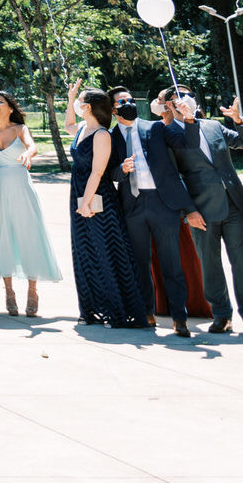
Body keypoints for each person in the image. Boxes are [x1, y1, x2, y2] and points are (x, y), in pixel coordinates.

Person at [115, 86, 201, 336]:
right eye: (121, 102)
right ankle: (146, 313)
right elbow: (108, 171)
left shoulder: (155, 128)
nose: (128, 104)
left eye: (130, 99)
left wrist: (189, 119)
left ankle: (179, 317)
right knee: (140, 262)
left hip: (163, 203)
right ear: (112, 109)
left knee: (171, 262)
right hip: (133, 205)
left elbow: (188, 143)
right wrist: (121, 170)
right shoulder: (110, 136)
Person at [179, 95, 243, 335]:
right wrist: (189, 211)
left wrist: (240, 121)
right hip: (201, 210)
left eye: (187, 95)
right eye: (177, 98)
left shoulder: (213, 126)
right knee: (210, 265)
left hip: (234, 203)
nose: (183, 100)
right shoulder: (171, 134)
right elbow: (174, 177)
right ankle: (222, 315)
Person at [69, 89, 146, 328]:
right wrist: (70, 98)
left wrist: (86, 202)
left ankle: (117, 311)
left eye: (80, 101)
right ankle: (91, 309)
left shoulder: (102, 134)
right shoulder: (82, 128)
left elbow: (98, 172)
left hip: (97, 197)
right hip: (79, 194)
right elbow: (68, 124)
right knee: (84, 253)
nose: (77, 105)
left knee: (105, 253)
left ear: (89, 106)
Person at [0, 91, 60, 316]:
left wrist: (28, 154)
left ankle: (32, 290)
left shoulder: (20, 128)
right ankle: (8, 291)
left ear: (10, 107)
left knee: (28, 235)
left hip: (21, 188)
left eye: (0, 101)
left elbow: (32, 146)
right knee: (1, 235)